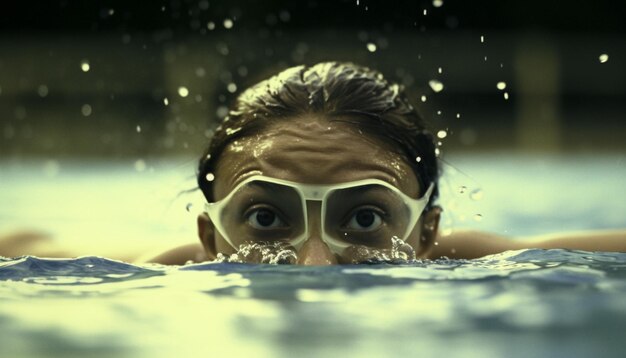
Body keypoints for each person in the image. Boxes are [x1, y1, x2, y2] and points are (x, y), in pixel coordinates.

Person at [1, 62, 624, 264]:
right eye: (268, 218)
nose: (314, 265)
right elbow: (27, 242)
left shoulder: (468, 260)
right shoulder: (167, 272)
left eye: (362, 221)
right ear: (210, 234)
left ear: (426, 233)